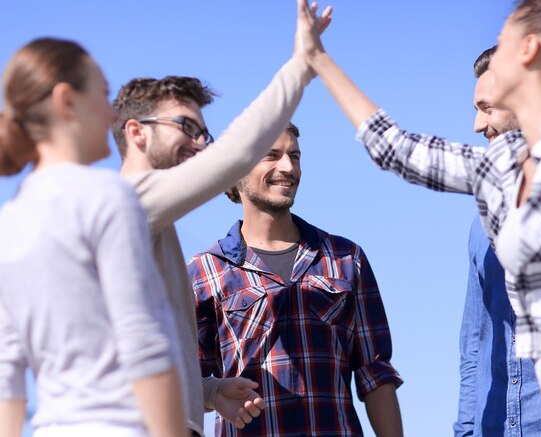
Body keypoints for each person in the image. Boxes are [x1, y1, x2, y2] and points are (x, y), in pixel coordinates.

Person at [296, 0, 541, 435]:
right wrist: (318, 58)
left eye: (502, 41)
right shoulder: (503, 165)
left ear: (528, 50)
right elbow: (396, 149)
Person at [111, 2, 332, 435]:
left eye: (204, 133)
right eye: (185, 127)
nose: (199, 145)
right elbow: (235, 153)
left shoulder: (148, 224)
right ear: (136, 132)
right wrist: (301, 66)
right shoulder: (129, 204)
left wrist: (210, 392)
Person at [0, 38, 187, 437]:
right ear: (67, 101)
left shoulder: (9, 221)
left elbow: (6, 369)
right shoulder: (108, 196)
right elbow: (143, 341)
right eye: (103, 93)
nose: (112, 112)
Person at [187, 123, 403, 436]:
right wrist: (213, 391)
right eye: (271, 156)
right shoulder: (202, 273)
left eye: (295, 156)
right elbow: (188, 382)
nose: (288, 167)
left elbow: (375, 372)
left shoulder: (345, 257)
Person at [454, 46, 541, 437]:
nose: (478, 125)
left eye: (487, 108)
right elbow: (474, 343)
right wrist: (464, 431)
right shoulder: (481, 224)